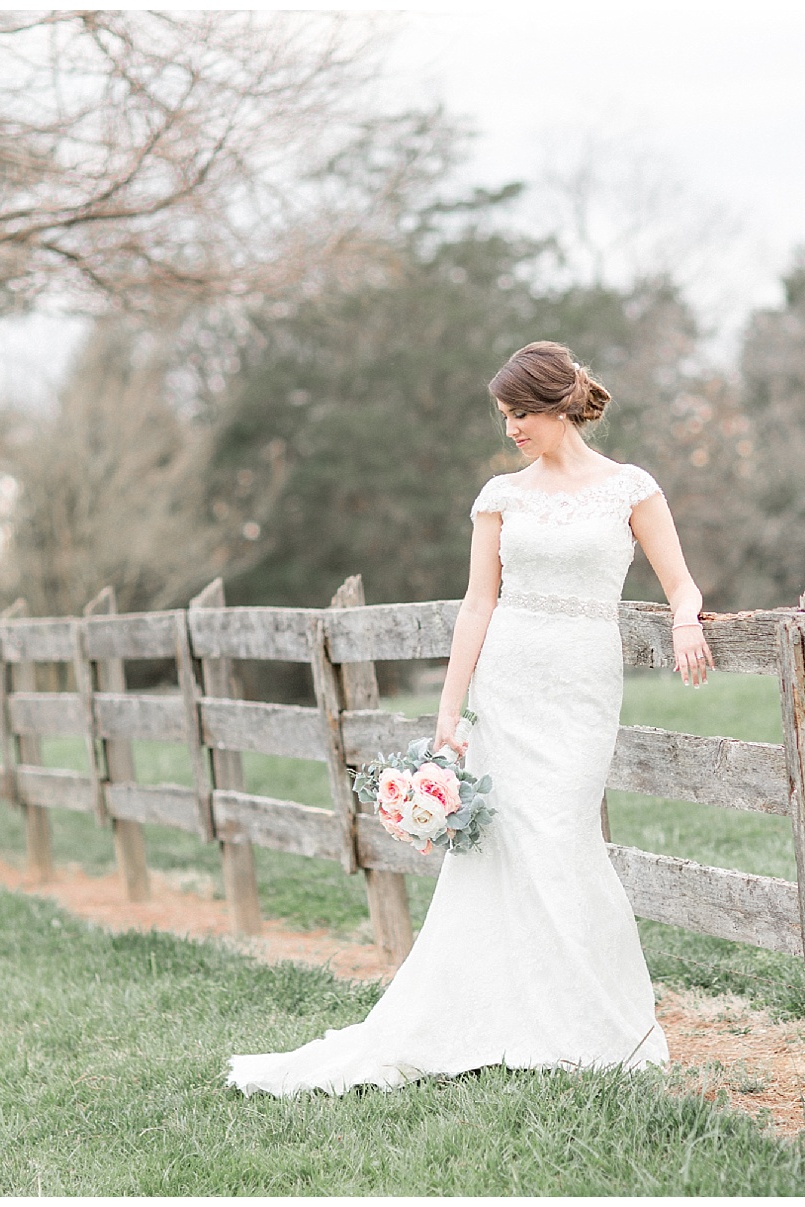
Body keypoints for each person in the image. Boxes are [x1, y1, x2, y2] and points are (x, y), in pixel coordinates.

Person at [225, 340, 715, 1097]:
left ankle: (597, 1021)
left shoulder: (631, 489)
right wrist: (449, 708)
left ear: (558, 405)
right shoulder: (500, 496)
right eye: (504, 416)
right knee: (509, 843)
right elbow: (478, 602)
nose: (511, 428)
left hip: (582, 685)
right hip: (508, 681)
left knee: (563, 833)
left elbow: (680, 581)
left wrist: (687, 618)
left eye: (520, 413)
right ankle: (518, 1017)